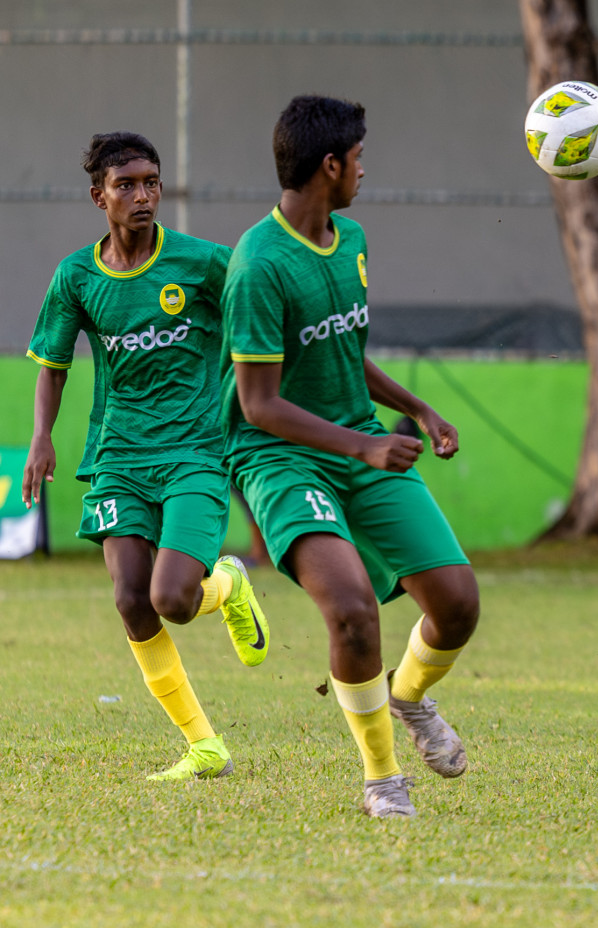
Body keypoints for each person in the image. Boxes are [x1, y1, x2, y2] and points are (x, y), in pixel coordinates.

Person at [221, 95, 479, 818]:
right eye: (359, 157)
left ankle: (408, 696)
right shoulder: (258, 266)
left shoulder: (353, 240)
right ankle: (381, 779)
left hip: (359, 441)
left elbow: (343, 350)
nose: (365, 168)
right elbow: (259, 404)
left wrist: (419, 409)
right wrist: (364, 445)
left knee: (457, 604)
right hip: (281, 456)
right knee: (353, 611)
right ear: (329, 165)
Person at [22, 132, 269, 781]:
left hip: (193, 451)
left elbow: (259, 307)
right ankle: (204, 745)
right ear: (97, 196)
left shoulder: (202, 263)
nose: (142, 195)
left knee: (173, 598)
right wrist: (42, 438)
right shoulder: (77, 276)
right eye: (126, 184)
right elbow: (51, 365)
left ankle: (228, 583)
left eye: (151, 182)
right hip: (118, 456)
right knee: (131, 598)